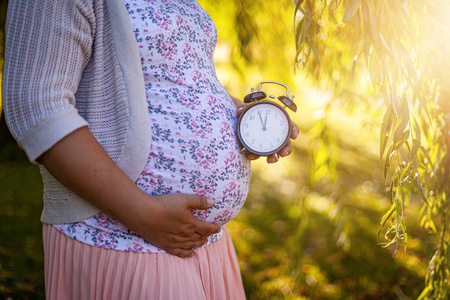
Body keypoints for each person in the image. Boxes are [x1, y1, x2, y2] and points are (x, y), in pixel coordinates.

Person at [3, 0, 298, 299]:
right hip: (121, 235)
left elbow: (176, 77)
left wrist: (249, 119)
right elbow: (37, 105)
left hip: (204, 243)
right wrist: (142, 213)